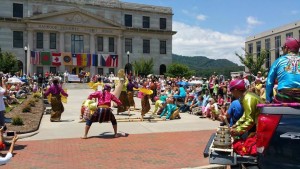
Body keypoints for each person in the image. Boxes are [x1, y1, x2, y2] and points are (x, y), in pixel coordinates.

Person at [266, 37, 300, 103]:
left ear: (286, 48)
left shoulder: (278, 61)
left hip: (283, 96)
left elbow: (269, 82)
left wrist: (269, 99)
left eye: (282, 48)